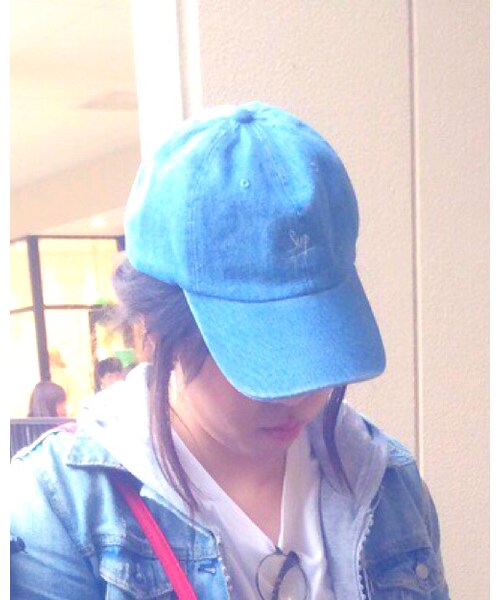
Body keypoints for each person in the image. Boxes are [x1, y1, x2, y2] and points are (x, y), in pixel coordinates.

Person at [10, 102, 450, 599]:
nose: (300, 394)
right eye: (260, 355)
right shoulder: (58, 507)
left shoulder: (386, 483)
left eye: (316, 347)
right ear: (153, 330)